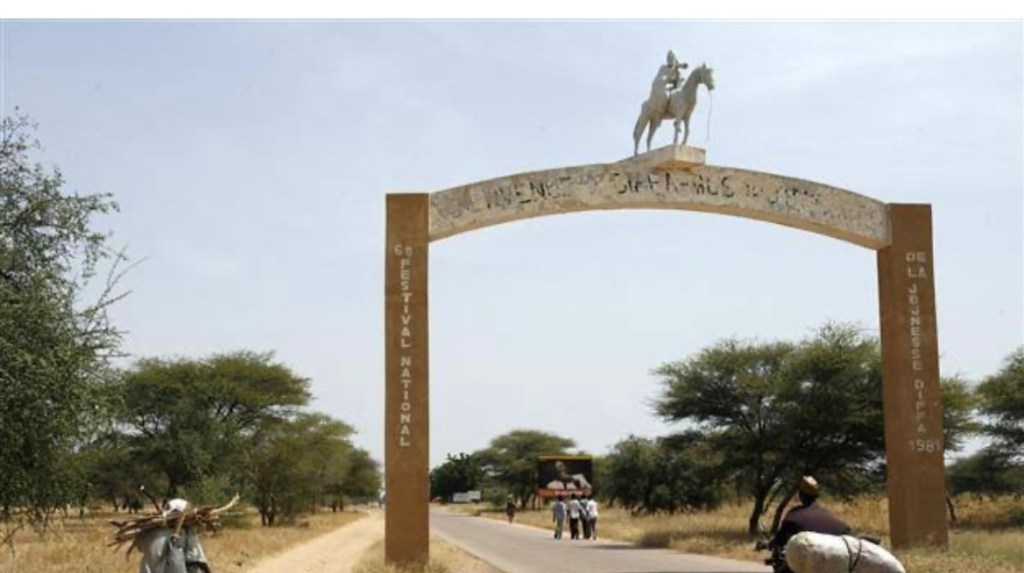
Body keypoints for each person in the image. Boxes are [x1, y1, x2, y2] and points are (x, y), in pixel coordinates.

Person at [770, 476, 851, 551]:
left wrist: (772, 544)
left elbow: (780, 541)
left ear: (801, 495)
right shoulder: (834, 520)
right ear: (816, 496)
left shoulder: (793, 516)